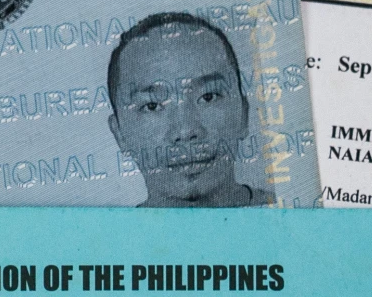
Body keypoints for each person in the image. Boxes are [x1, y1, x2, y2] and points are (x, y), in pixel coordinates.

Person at [104, 12, 268, 207]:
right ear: (120, 134)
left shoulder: (291, 215)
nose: (185, 131)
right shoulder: (109, 235)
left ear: (244, 113)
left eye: (208, 97)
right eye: (152, 106)